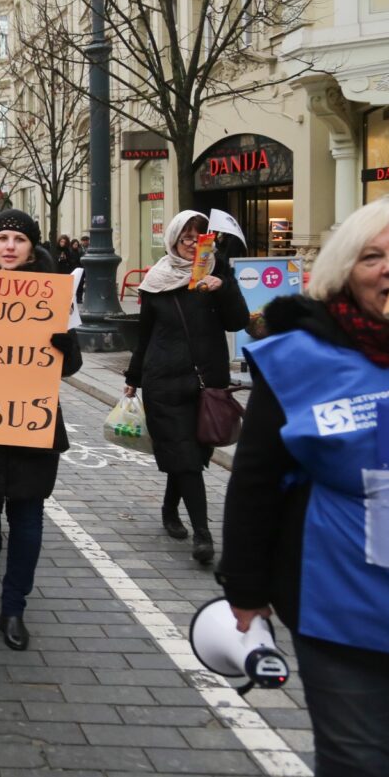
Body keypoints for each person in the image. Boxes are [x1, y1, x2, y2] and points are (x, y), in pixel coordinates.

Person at [220, 193, 389, 777]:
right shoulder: (303, 356)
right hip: (351, 618)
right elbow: (257, 479)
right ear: (346, 271)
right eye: (372, 255)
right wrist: (246, 588)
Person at [0, 209, 81, 653]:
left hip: (31, 424)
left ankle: (14, 607)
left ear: (32, 248)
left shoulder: (55, 291)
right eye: (1, 237)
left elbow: (72, 365)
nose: (9, 246)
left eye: (19, 239)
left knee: (28, 517)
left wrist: (66, 348)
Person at [123, 210, 248, 563]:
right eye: (187, 239)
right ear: (174, 241)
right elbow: (144, 336)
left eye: (200, 238)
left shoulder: (216, 273)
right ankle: (203, 535)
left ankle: (168, 506)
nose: (194, 245)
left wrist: (223, 288)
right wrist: (133, 379)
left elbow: (237, 321)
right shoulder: (156, 281)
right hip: (163, 382)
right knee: (187, 460)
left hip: (208, 384)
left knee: (194, 456)